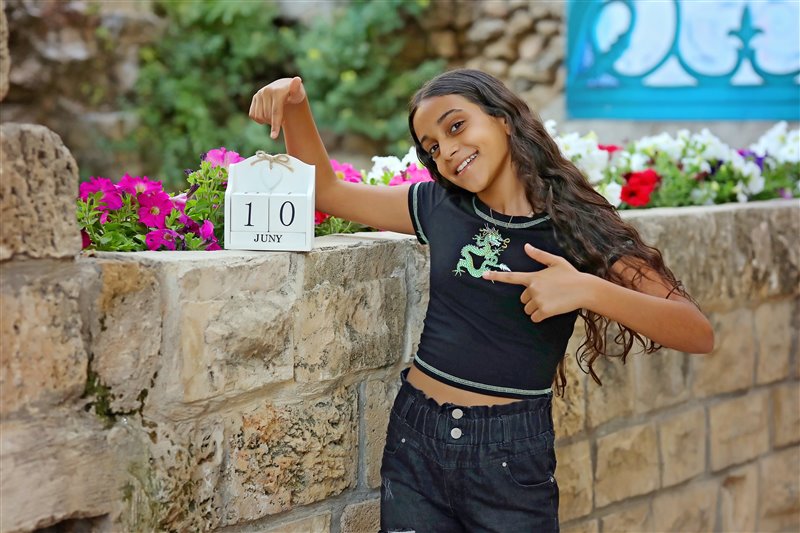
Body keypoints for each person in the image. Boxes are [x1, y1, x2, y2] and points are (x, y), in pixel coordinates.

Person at [249, 69, 714, 533]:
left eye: (456, 126)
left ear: (504, 120)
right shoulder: (438, 206)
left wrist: (587, 288)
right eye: (432, 147)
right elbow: (328, 192)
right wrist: (296, 105)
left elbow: (696, 331)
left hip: (510, 460)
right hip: (415, 444)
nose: (447, 151)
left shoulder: (577, 226)